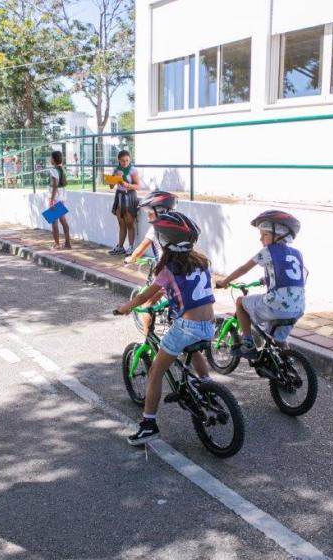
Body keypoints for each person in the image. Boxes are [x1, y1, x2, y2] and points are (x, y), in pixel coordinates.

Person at [115, 211, 215, 445]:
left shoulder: (167, 270)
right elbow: (185, 291)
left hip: (187, 326)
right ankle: (207, 386)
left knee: (155, 373)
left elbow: (144, 297)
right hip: (209, 325)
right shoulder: (202, 263)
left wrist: (125, 307)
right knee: (193, 349)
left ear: (165, 241)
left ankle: (148, 425)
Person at [215, 210, 306, 359]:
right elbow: (293, 276)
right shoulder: (297, 253)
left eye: (265, 234)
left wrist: (224, 282)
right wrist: (267, 280)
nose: (261, 239)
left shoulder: (268, 251)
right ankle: (287, 367)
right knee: (277, 340)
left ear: (279, 235)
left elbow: (243, 269)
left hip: (277, 304)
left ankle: (248, 343)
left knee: (240, 303)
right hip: (298, 307)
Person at [123, 190, 177, 333]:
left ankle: (148, 340)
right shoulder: (178, 224)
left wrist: (132, 258)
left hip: (167, 272)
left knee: (147, 304)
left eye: (150, 211)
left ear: (160, 211)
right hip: (182, 270)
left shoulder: (156, 228)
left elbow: (141, 248)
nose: (148, 214)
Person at [108, 149, 139, 256]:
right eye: (122, 161)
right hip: (119, 196)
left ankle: (131, 247)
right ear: (119, 160)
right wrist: (113, 179)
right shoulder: (116, 170)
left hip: (129, 196)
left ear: (129, 159)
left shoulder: (133, 170)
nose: (125, 163)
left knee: (130, 223)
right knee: (121, 223)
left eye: (127, 160)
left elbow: (137, 186)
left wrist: (128, 185)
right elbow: (111, 186)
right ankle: (120, 247)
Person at [48, 150, 71, 250]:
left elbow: (55, 186)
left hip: (55, 198)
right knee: (63, 221)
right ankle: (67, 243)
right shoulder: (62, 169)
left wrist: (51, 200)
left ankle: (57, 244)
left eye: (51, 157)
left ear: (54, 159)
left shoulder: (53, 170)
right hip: (62, 198)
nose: (50, 159)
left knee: (54, 222)